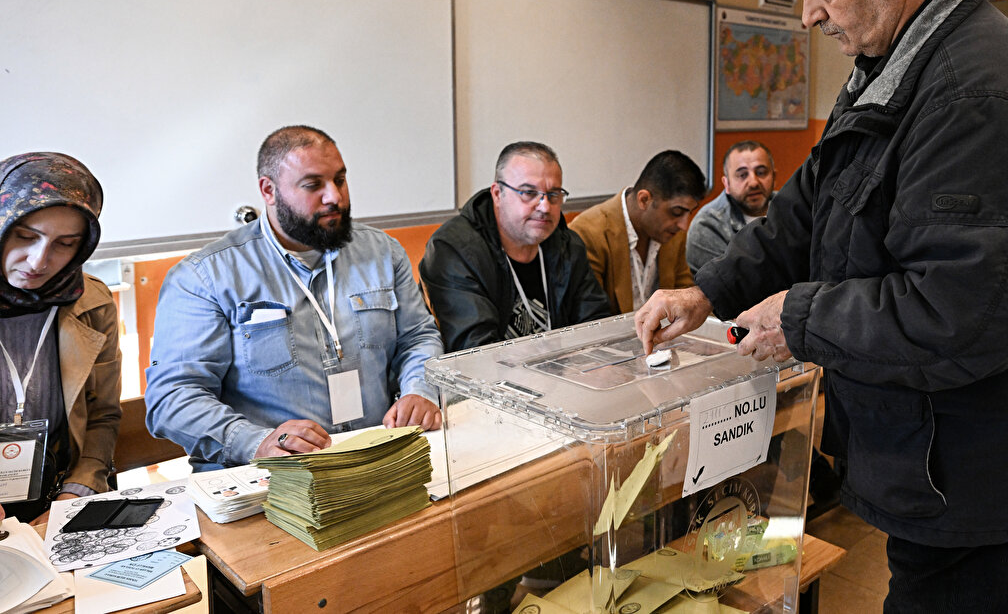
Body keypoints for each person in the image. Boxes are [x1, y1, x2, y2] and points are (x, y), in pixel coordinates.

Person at [635, 0, 1008, 611]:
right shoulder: (895, 63)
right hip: (940, 454)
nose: (809, 13)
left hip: (984, 474)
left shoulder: (974, 95)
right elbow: (814, 201)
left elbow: (962, 316)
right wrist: (709, 292)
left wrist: (798, 316)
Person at [145, 126, 442, 472]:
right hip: (272, 477)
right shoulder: (205, 277)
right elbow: (173, 398)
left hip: (372, 460)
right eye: (313, 185)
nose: (335, 197)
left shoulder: (383, 252)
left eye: (340, 180)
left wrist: (419, 390)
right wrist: (255, 441)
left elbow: (417, 337)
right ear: (268, 191)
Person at [0, 152, 120, 525]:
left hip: (58, 504)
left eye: (65, 243)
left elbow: (102, 416)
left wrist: (75, 494)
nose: (38, 261)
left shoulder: (94, 303)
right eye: (25, 236)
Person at [419, 141, 610, 353]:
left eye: (554, 194)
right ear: (498, 194)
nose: (545, 207)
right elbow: (475, 353)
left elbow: (596, 327)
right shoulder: (454, 251)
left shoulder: (568, 245)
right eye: (529, 193)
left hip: (564, 377)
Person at [571, 150, 706, 315]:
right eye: (677, 212)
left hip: (664, 338)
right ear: (644, 200)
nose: (684, 225)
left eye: (689, 213)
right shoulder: (588, 233)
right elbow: (593, 318)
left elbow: (684, 298)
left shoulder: (672, 232)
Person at [686, 141, 776, 275]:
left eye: (761, 172)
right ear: (726, 183)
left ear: (774, 176)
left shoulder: (792, 208)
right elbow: (734, 286)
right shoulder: (708, 225)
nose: (753, 182)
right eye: (742, 175)